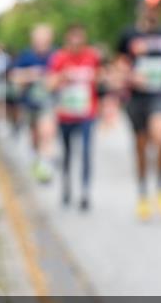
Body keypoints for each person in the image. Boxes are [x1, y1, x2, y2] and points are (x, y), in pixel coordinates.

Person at [116, 0, 161, 221]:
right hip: (137, 98)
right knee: (142, 147)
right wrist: (131, 76)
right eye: (148, 6)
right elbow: (119, 65)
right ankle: (143, 194)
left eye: (156, 7)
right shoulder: (129, 35)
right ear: (141, 7)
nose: (152, 11)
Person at [47, 23, 102, 211]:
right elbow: (50, 84)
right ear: (67, 39)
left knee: (86, 152)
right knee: (68, 153)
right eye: (73, 37)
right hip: (66, 114)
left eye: (80, 37)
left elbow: (102, 78)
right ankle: (67, 185)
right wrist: (64, 76)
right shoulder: (59, 58)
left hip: (87, 112)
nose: (76, 41)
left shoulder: (92, 56)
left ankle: (85, 191)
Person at [11, 24, 57, 183]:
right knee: (35, 136)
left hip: (48, 102)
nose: (41, 41)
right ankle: (36, 159)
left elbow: (60, 76)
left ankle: (45, 167)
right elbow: (14, 77)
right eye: (38, 38)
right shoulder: (26, 56)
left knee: (47, 133)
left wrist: (51, 80)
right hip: (30, 103)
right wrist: (32, 75)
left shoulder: (55, 56)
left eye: (44, 38)